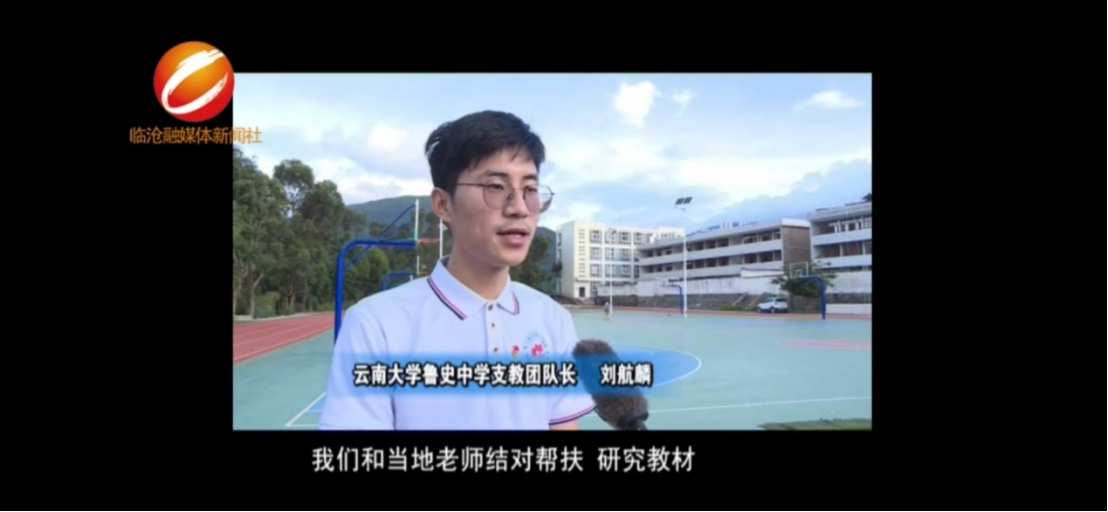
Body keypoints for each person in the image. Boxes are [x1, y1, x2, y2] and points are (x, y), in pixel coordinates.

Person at [319, 111, 596, 430]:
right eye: (495, 186)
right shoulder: (375, 326)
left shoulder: (553, 319)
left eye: (530, 190)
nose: (520, 208)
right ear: (443, 204)